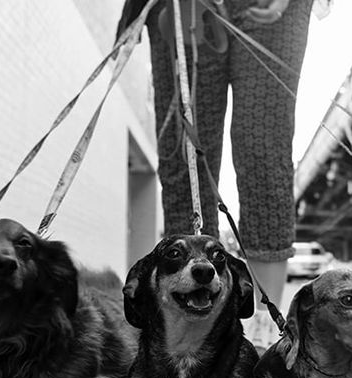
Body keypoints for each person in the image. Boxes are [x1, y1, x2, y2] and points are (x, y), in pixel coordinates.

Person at [118, 0, 317, 350]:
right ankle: (189, 308)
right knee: (185, 154)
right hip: (183, 8)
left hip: (271, 11)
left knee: (262, 145)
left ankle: (264, 320)